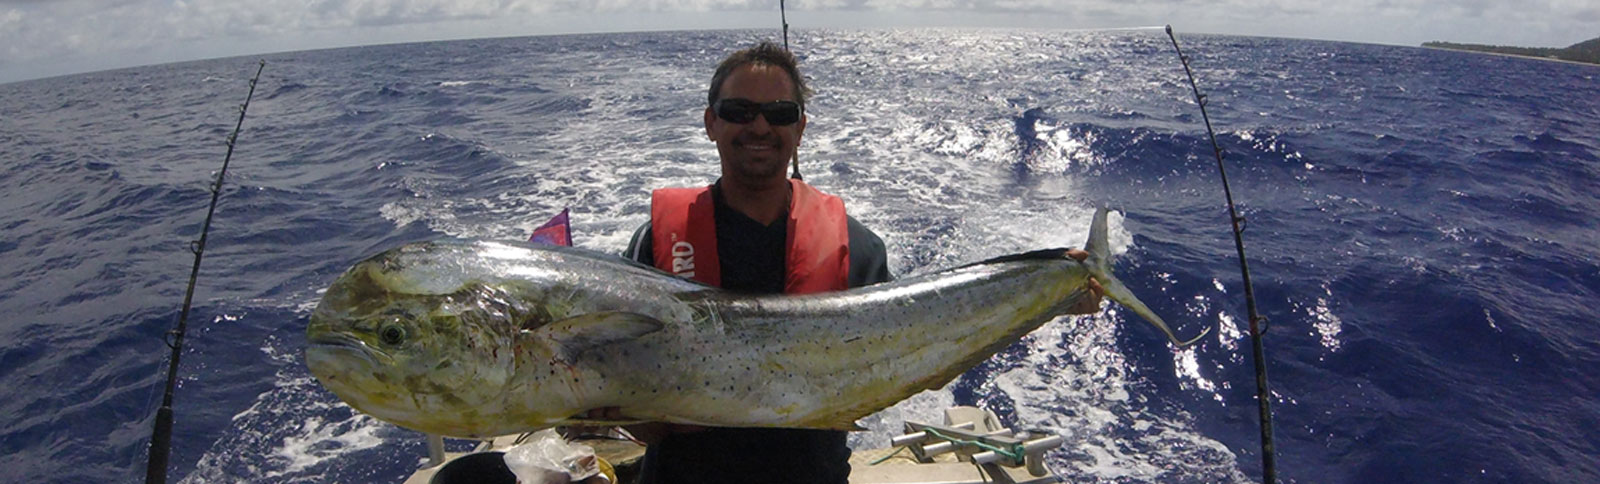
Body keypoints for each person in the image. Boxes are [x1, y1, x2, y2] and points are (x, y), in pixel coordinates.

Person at [596, 41, 1103, 484]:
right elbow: (633, 409)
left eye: (779, 113)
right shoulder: (655, 246)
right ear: (711, 122)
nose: (759, 126)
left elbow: (919, 348)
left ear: (801, 128)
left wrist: (1050, 299)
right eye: (739, 110)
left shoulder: (857, 249)